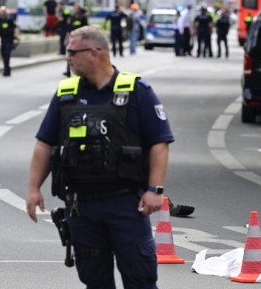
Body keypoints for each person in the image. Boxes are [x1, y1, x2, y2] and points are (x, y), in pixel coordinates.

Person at [26, 25, 174, 289]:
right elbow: (45, 144)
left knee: (139, 277)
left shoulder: (136, 91)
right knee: (94, 280)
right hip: (81, 207)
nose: (67, 57)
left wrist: (155, 189)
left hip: (126, 203)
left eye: (72, 51)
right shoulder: (66, 94)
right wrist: (33, 187)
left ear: (94, 52)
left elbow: (159, 143)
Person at [63, 3, 89, 77]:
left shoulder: (83, 18)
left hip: (81, 39)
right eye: (74, 8)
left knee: (81, 55)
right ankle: (68, 71)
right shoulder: (72, 17)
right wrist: (66, 38)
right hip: (72, 39)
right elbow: (69, 29)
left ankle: (82, 70)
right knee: (69, 54)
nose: (74, 9)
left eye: (76, 8)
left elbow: (86, 28)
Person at [0, 6, 19, 77]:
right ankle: (7, 67)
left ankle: (6, 69)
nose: (2, 13)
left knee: (7, 54)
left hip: (9, 39)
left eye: (4, 12)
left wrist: (17, 38)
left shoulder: (9, 20)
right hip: (3, 40)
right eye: (1, 12)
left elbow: (15, 28)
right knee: (3, 54)